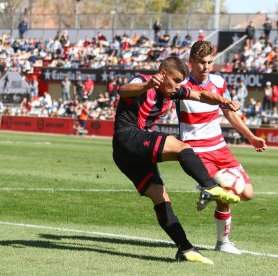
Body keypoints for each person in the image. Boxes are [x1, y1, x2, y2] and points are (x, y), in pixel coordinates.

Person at [112, 56, 241, 264]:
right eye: (176, 79)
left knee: (161, 198)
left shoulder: (172, 91)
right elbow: (123, 90)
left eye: (181, 81)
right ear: (162, 74)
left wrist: (223, 100)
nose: (179, 85)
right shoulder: (143, 81)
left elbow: (200, 95)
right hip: (128, 138)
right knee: (182, 147)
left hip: (127, 155)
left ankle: (185, 248)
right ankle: (208, 185)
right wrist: (147, 84)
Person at [179, 40, 267, 255]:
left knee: (247, 193)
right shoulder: (181, 86)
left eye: (209, 62)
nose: (205, 67)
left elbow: (229, 112)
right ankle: (223, 242)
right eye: (200, 62)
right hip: (197, 151)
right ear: (190, 62)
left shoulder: (218, 81)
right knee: (225, 196)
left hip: (220, 146)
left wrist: (251, 137)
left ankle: (205, 188)